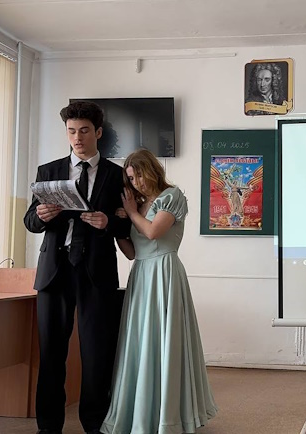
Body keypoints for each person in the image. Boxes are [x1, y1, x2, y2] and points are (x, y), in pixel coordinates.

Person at [24, 101, 130, 434]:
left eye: (84, 131)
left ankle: (95, 425)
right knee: (51, 354)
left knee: (97, 355)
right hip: (54, 272)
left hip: (96, 273)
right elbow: (30, 221)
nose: (77, 138)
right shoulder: (48, 171)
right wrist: (40, 216)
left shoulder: (116, 175)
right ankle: (48, 427)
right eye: (71, 131)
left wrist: (108, 222)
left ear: (98, 132)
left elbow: (128, 225)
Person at [101, 148, 217, 434]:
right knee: (140, 342)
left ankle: (169, 416)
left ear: (152, 170)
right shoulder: (139, 204)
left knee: (166, 341)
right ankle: (141, 414)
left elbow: (153, 232)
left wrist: (130, 213)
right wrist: (116, 227)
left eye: (139, 175)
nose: (137, 182)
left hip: (164, 273)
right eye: (131, 178)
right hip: (141, 274)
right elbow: (131, 252)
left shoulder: (171, 196)